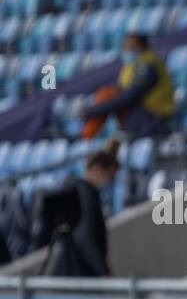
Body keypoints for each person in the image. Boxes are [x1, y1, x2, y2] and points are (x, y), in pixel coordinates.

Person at [30, 140, 121, 277]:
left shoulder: (74, 188)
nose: (109, 182)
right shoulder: (86, 193)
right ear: (98, 170)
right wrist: (102, 269)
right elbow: (85, 235)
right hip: (79, 270)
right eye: (110, 176)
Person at [81, 35, 175, 138]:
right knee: (106, 93)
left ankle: (85, 137)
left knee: (107, 95)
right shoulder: (131, 67)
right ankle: (86, 136)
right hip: (140, 117)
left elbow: (128, 97)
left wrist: (92, 111)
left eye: (132, 47)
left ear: (144, 48)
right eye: (125, 47)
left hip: (154, 119)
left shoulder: (147, 67)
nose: (128, 51)